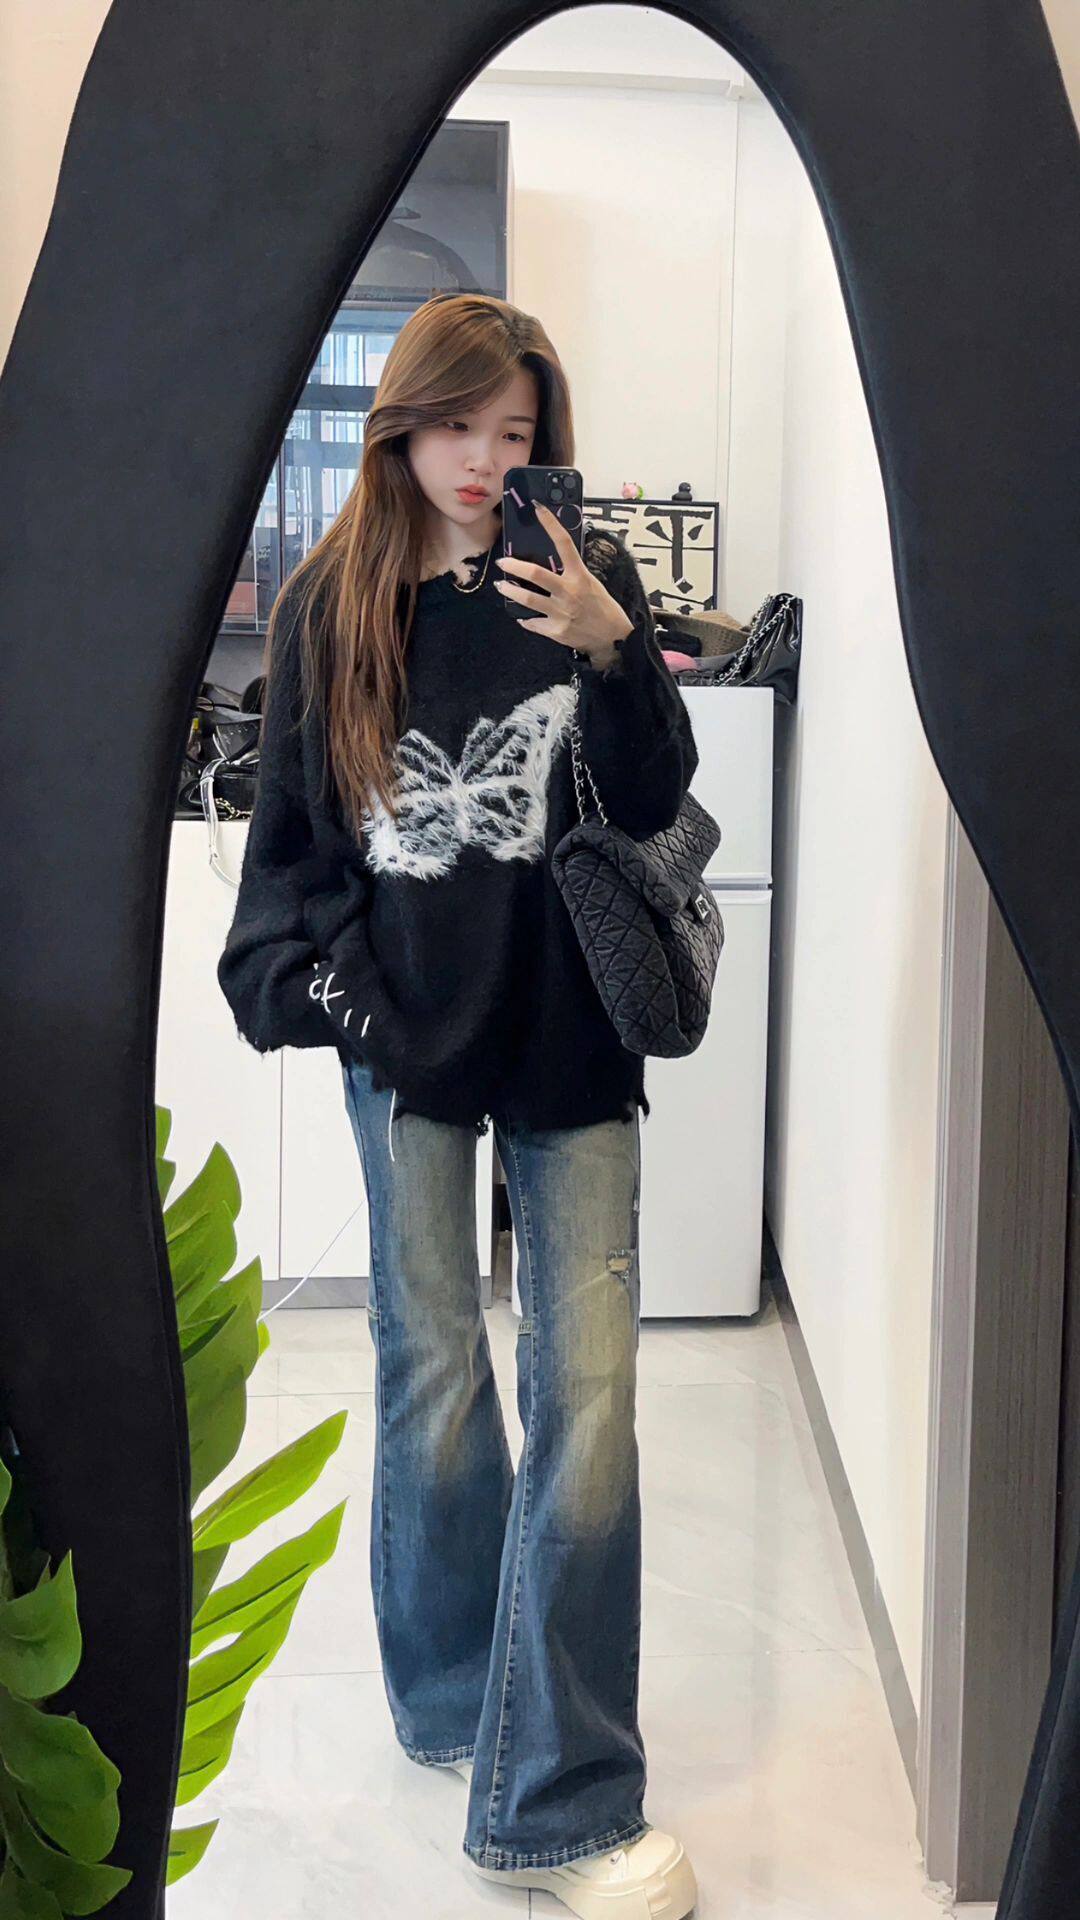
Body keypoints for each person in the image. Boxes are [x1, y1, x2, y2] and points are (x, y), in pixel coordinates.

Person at [217, 292, 700, 1918]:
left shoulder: (581, 574)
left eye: (516, 431)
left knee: (591, 1400)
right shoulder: (333, 602)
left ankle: (562, 1798)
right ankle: (449, 1698)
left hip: (574, 1038)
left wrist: (614, 651)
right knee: (432, 1373)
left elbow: (653, 797)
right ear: (402, 424)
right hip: (408, 1042)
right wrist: (362, 1011)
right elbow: (297, 855)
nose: (487, 460)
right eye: (459, 425)